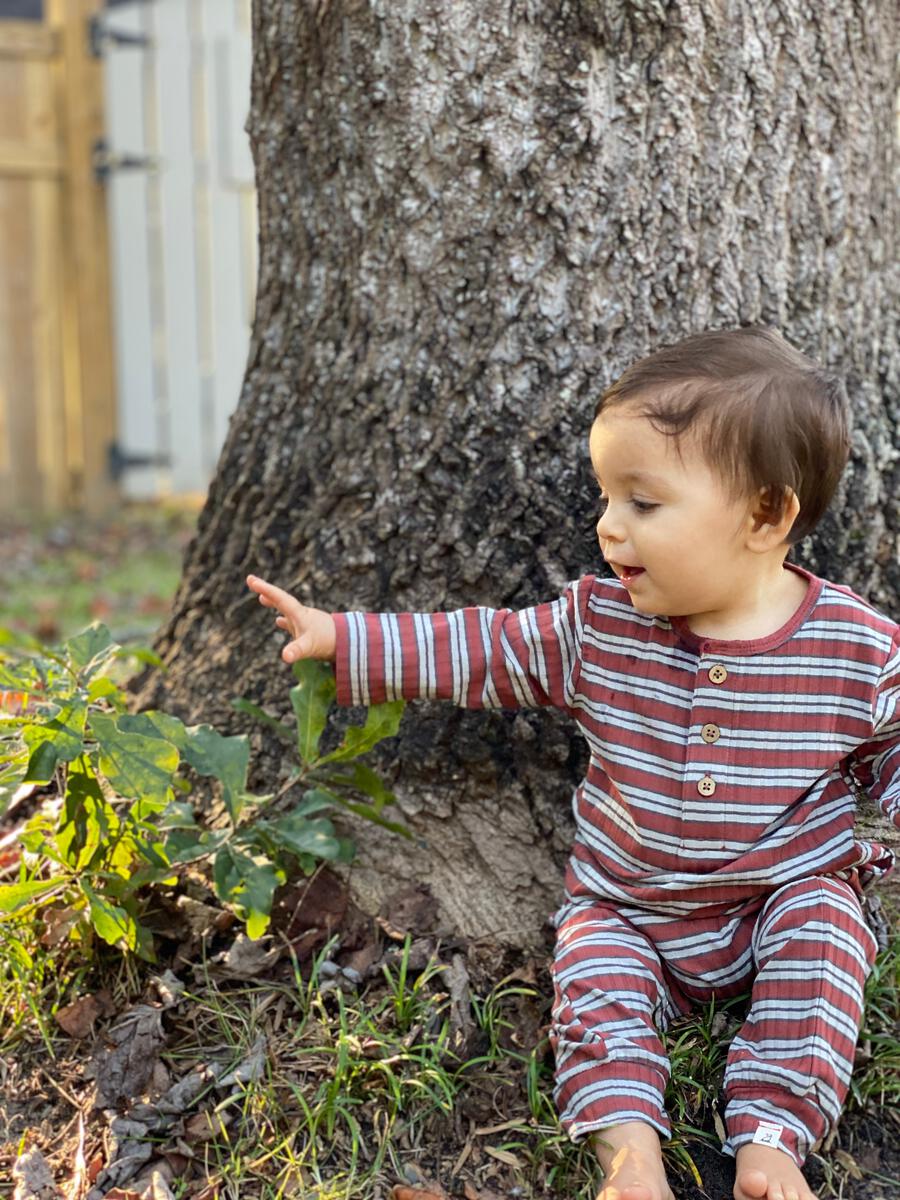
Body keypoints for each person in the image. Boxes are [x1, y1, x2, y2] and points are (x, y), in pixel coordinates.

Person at [246, 326, 899, 1200]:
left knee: (828, 937)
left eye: (643, 503)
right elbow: (485, 649)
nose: (607, 525)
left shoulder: (855, 650)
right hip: (627, 905)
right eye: (606, 496)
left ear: (766, 515)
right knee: (591, 975)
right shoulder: (598, 628)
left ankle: (774, 1142)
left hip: (775, 896)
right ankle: (630, 1161)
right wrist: (344, 638)